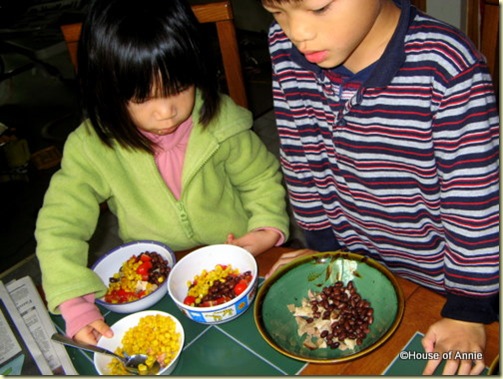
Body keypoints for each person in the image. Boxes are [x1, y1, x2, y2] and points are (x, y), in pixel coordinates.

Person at [259, 0, 499, 375]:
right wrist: (323, 249)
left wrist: (468, 311)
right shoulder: (283, 47)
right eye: (277, 11)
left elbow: (475, 205)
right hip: (352, 262)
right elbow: (297, 153)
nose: (297, 32)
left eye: (319, 8)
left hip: (439, 284)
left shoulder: (448, 67)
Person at [35, 0, 290, 345]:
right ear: (106, 94)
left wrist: (265, 227)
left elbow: (260, 179)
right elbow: (59, 226)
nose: (166, 112)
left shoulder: (221, 122)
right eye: (142, 99)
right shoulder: (92, 148)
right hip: (153, 284)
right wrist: (74, 303)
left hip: (238, 258)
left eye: (177, 89)